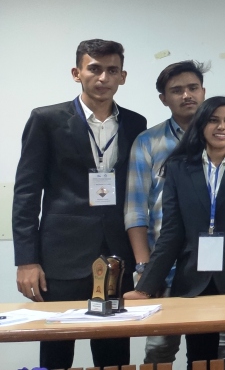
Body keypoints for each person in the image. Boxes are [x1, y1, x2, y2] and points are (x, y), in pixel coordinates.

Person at [124, 97, 225, 364]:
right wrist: (146, 288)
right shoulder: (179, 167)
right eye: (213, 120)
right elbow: (171, 233)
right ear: (201, 124)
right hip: (194, 278)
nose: (221, 127)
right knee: (200, 359)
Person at [13, 39, 147, 369]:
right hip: (61, 257)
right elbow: (27, 193)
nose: (103, 78)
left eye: (112, 70)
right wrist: (27, 260)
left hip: (117, 254)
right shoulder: (46, 119)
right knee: (57, 351)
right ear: (77, 73)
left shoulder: (136, 124)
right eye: (94, 69)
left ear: (123, 76)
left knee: (114, 353)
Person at [125, 60, 208, 364]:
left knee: (213, 351)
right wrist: (144, 267)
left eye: (193, 88)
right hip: (164, 265)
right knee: (160, 349)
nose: (187, 95)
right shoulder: (148, 142)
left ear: (203, 92)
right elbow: (136, 209)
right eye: (177, 90)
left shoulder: (221, 137)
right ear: (163, 99)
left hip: (211, 266)